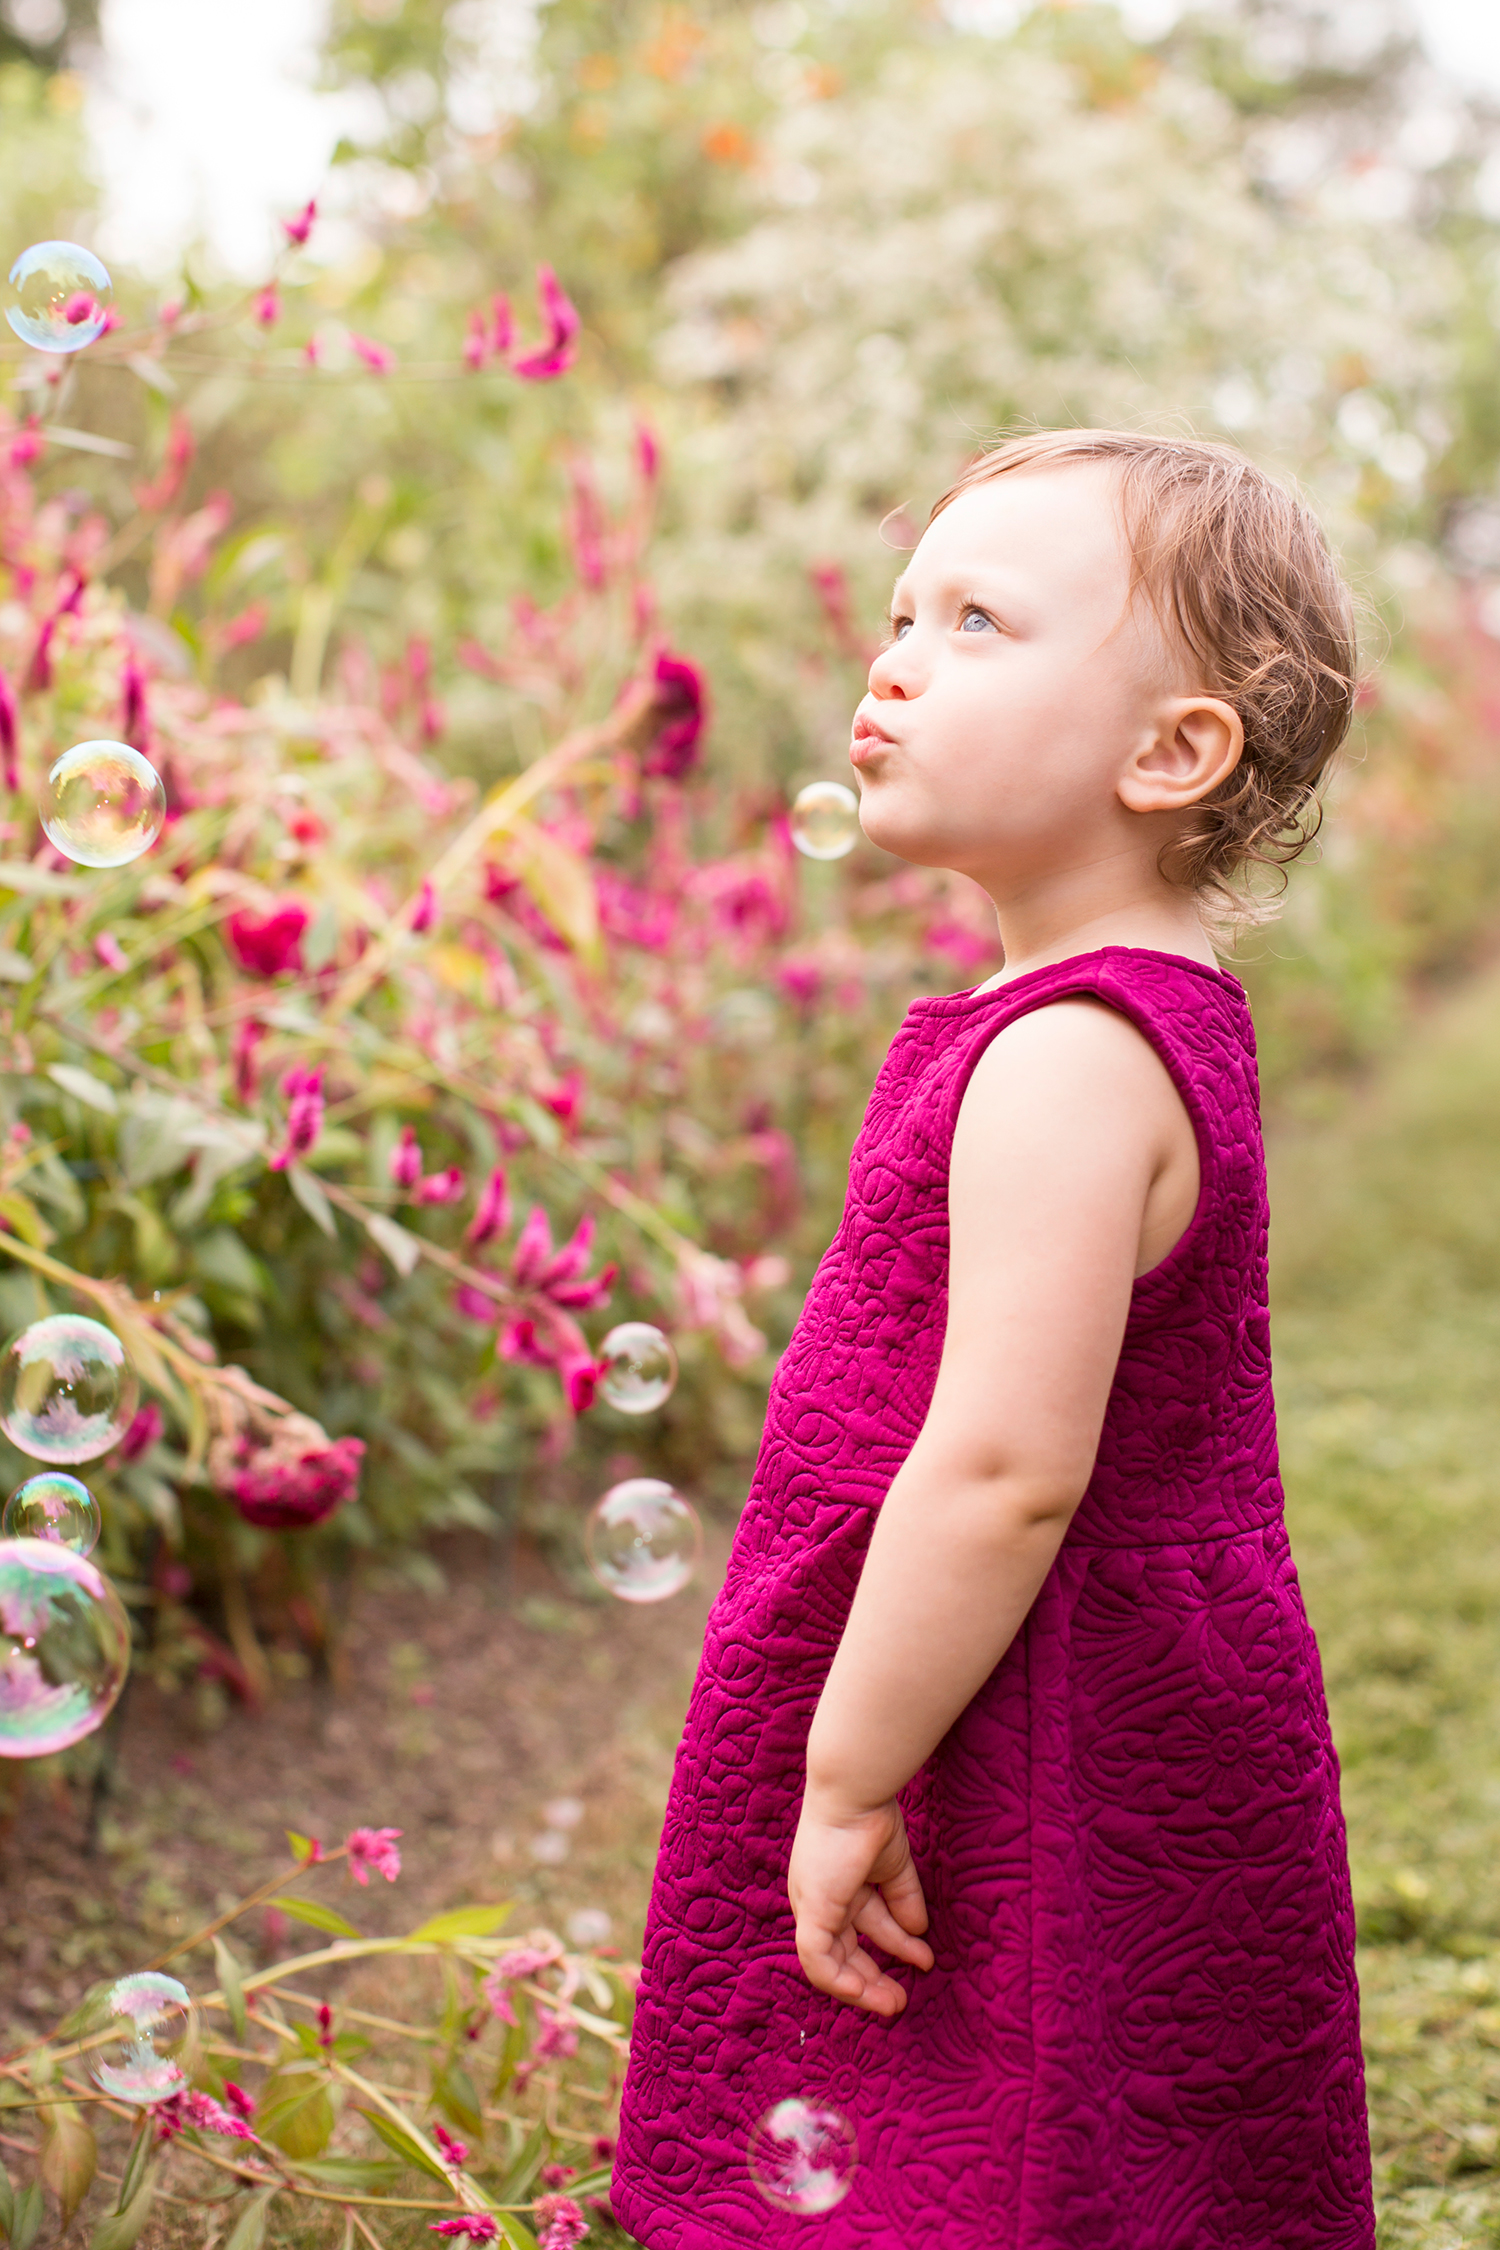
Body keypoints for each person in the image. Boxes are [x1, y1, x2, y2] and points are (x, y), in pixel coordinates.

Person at [611, 429, 1376, 2249]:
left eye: (977, 620)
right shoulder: (1120, 1018)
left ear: (1169, 750)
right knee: (1126, 2120)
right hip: (1108, 1680)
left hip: (1020, 1704)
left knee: (981, 2107)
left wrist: (851, 1765)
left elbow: (1004, 1469)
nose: (894, 660)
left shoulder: (1063, 1057)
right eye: (900, 614)